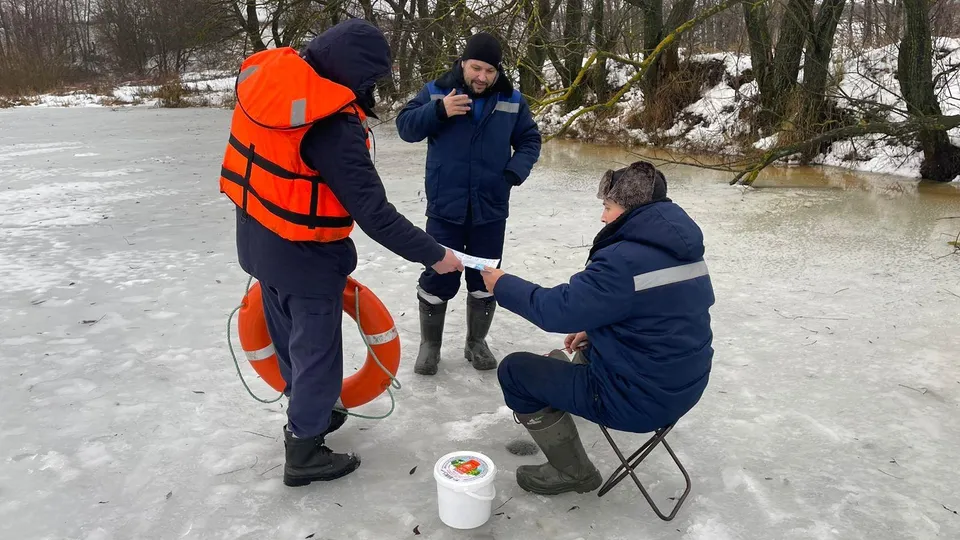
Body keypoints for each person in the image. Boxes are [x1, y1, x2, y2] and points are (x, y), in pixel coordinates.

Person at [219, 19, 463, 487]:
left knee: (292, 341)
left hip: (258, 241)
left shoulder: (271, 84)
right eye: (370, 81)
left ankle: (305, 416)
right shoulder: (329, 124)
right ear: (353, 74)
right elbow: (375, 214)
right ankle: (305, 454)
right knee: (317, 356)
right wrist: (434, 255)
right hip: (305, 258)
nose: (371, 90)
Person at [480, 161, 715, 495]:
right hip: (684, 386)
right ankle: (567, 394)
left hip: (638, 400)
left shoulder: (624, 259)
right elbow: (660, 312)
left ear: (630, 209)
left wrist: (501, 284)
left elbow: (556, 312)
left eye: (607, 207)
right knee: (575, 351)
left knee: (516, 371)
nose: (603, 217)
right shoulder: (683, 249)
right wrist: (596, 329)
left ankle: (572, 472)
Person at [396, 32, 542, 376]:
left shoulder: (511, 100)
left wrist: (511, 174)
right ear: (463, 63)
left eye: (490, 71)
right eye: (476, 67)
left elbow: (530, 140)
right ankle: (430, 345)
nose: (482, 77)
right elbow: (405, 127)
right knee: (438, 276)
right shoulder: (436, 92)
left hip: (490, 208)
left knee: (486, 278)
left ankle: (476, 342)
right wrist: (438, 111)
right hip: (446, 207)